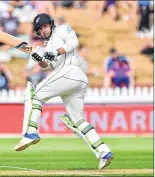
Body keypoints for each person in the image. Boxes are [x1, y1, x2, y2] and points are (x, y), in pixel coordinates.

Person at [14, 13, 114, 169]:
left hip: (71, 72)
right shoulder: (46, 47)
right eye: (40, 29)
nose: (43, 31)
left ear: (51, 25)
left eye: (45, 26)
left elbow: (73, 42)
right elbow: (45, 65)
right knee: (77, 121)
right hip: (72, 81)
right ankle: (103, 151)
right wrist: (37, 56)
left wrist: (55, 52)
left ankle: (31, 131)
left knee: (34, 94)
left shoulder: (61, 29)